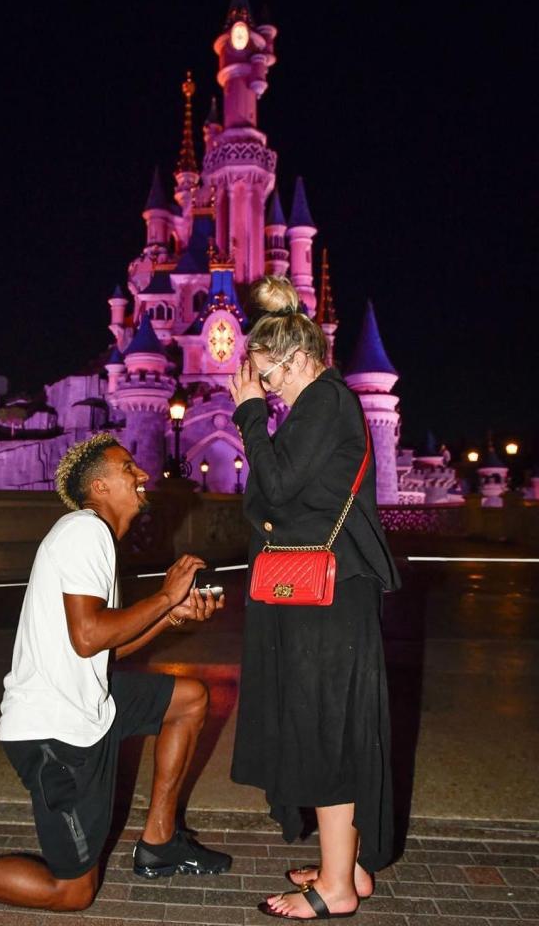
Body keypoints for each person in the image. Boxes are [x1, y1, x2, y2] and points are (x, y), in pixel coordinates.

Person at [0, 433, 230, 911]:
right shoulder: (84, 531)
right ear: (99, 487)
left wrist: (170, 617)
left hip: (87, 704)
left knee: (189, 699)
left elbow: (101, 649)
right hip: (56, 733)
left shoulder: (93, 539)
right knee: (72, 892)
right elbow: (90, 635)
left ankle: (159, 843)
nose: (142, 476)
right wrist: (163, 596)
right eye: (128, 469)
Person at [228, 276, 400, 920]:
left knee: (328, 730)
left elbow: (272, 491)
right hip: (328, 595)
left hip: (327, 600)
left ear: (297, 359)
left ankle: (333, 890)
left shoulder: (325, 401)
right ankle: (345, 867)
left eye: (267, 376)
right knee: (334, 725)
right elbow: (287, 493)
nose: (263, 388)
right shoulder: (320, 405)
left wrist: (248, 415)